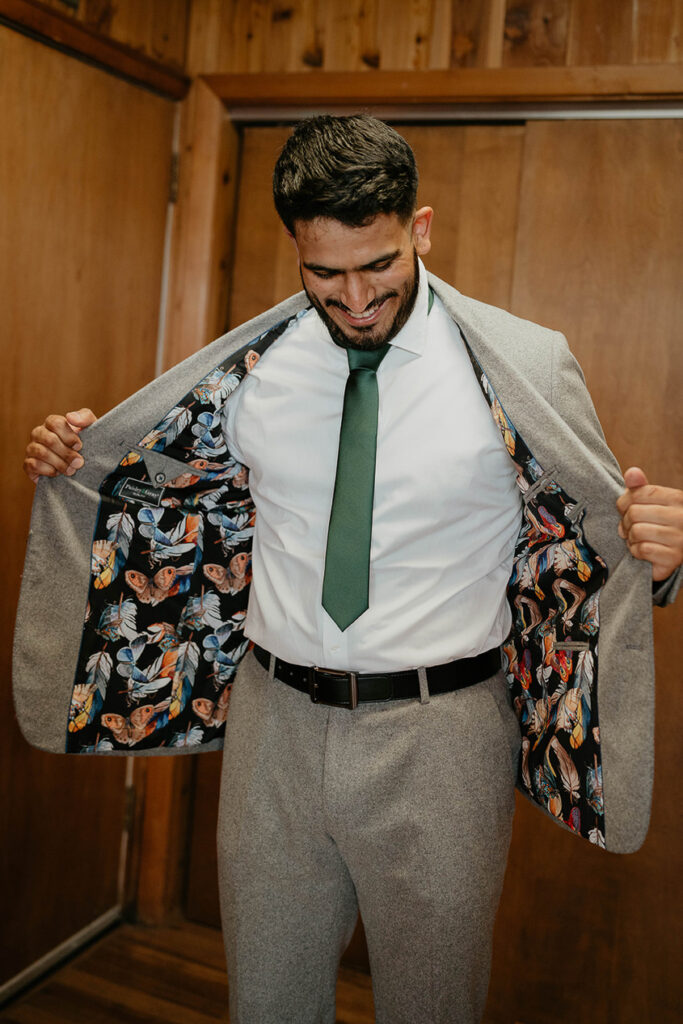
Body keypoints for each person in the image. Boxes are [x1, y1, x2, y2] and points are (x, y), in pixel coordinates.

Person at [19, 115, 683, 1023]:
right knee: (268, 1000)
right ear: (295, 248)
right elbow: (163, 493)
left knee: (432, 1005)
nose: (356, 298)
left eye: (378, 265)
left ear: (421, 228)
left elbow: (580, 538)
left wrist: (656, 558)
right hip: (273, 728)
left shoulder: (524, 365)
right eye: (324, 274)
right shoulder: (256, 371)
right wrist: (72, 462)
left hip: (442, 735)